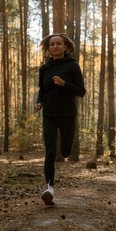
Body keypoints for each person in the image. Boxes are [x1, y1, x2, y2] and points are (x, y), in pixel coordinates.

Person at [34, 33, 86, 205]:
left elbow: (81, 91)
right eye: (52, 44)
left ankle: (66, 150)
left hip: (67, 115)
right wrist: (39, 103)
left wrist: (64, 84)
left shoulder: (72, 66)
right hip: (49, 114)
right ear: (48, 48)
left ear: (65, 47)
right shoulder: (44, 69)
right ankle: (49, 189)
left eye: (58, 44)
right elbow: (42, 90)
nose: (55, 46)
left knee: (64, 151)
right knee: (49, 152)